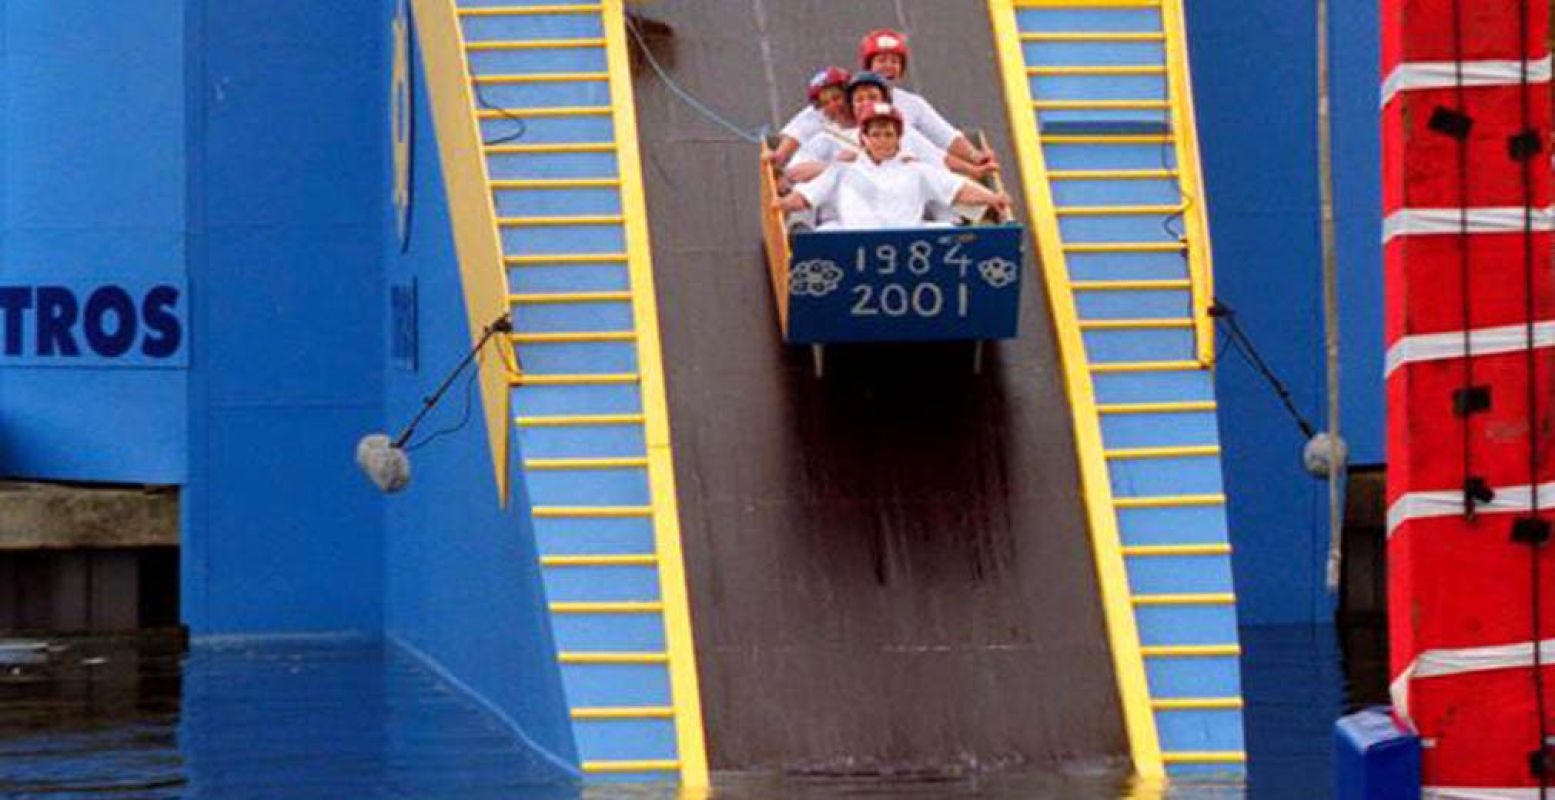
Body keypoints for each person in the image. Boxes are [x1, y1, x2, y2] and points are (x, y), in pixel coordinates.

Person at [773, 103, 1010, 230]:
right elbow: (806, 197)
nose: (882, 140)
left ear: (899, 137)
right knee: (825, 234)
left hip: (907, 242)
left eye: (888, 134)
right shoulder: (841, 170)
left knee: (948, 231)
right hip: (854, 241)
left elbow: (958, 189)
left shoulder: (918, 171)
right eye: (876, 134)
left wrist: (993, 198)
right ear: (863, 138)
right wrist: (783, 204)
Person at [784, 72, 993, 185]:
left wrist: (974, 171)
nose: (866, 103)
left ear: (886, 100)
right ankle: (802, 231)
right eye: (859, 99)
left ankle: (959, 225)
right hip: (850, 208)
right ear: (851, 105)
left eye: (873, 97)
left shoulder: (905, 134)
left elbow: (938, 159)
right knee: (811, 189)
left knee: (937, 180)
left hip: (901, 206)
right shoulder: (828, 138)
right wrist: (837, 168)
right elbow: (795, 171)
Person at [857, 28, 994, 168]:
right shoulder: (847, 105)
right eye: (881, 60)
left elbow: (945, 136)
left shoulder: (913, 104)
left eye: (895, 61)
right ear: (868, 67)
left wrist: (975, 156)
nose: (888, 66)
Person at [768, 66, 852, 167]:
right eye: (825, 103)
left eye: (837, 98)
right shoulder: (822, 135)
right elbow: (783, 156)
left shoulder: (868, 114)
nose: (833, 105)